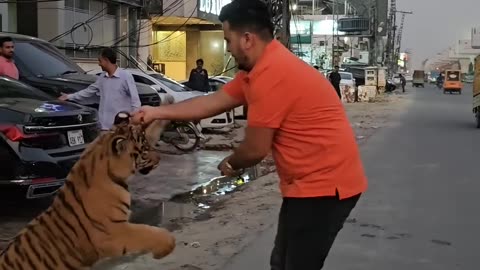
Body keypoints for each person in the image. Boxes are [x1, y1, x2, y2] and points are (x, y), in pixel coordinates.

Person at [132, 1, 367, 269]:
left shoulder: (272, 74)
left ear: (246, 39)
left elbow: (255, 149)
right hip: (307, 185)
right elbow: (213, 101)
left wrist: (231, 162)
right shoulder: (259, 69)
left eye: (228, 40)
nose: (229, 50)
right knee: (281, 261)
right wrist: (156, 113)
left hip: (326, 188)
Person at [59, 48, 141, 132]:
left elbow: (136, 102)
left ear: (106, 60)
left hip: (120, 128)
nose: (99, 64)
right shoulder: (102, 77)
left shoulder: (125, 76)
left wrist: (133, 121)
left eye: (100, 61)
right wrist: (68, 96)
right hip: (103, 127)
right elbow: (88, 92)